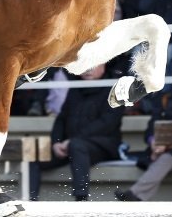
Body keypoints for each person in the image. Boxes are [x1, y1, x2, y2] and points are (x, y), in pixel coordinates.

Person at [114, 54, 172, 201]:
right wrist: (153, 141)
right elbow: (154, 122)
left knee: (167, 157)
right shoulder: (166, 96)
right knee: (166, 157)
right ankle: (136, 195)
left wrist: (166, 143)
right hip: (167, 148)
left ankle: (136, 195)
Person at [28, 63, 124, 201]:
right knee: (35, 155)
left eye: (94, 64)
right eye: (84, 64)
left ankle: (81, 198)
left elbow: (107, 124)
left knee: (77, 146)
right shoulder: (76, 87)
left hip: (103, 146)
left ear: (104, 65)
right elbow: (61, 119)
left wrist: (70, 141)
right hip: (70, 145)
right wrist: (56, 143)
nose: (88, 68)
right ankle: (30, 199)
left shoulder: (114, 89)